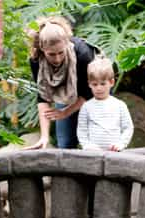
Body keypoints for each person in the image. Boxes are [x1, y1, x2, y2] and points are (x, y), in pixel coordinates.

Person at [25, 16, 98, 149]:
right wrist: (44, 136)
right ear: (42, 49)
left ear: (66, 44)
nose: (57, 59)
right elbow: (43, 96)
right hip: (65, 94)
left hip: (95, 93)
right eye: (51, 54)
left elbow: (88, 92)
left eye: (60, 52)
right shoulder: (36, 60)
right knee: (65, 145)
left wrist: (65, 112)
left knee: (96, 144)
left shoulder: (82, 53)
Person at [76, 57, 134, 151]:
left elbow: (128, 128)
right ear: (89, 84)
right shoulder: (86, 107)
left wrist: (121, 144)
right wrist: (87, 145)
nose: (98, 88)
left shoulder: (120, 105)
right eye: (95, 84)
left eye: (103, 84)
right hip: (93, 153)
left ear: (111, 82)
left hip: (115, 153)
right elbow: (82, 130)